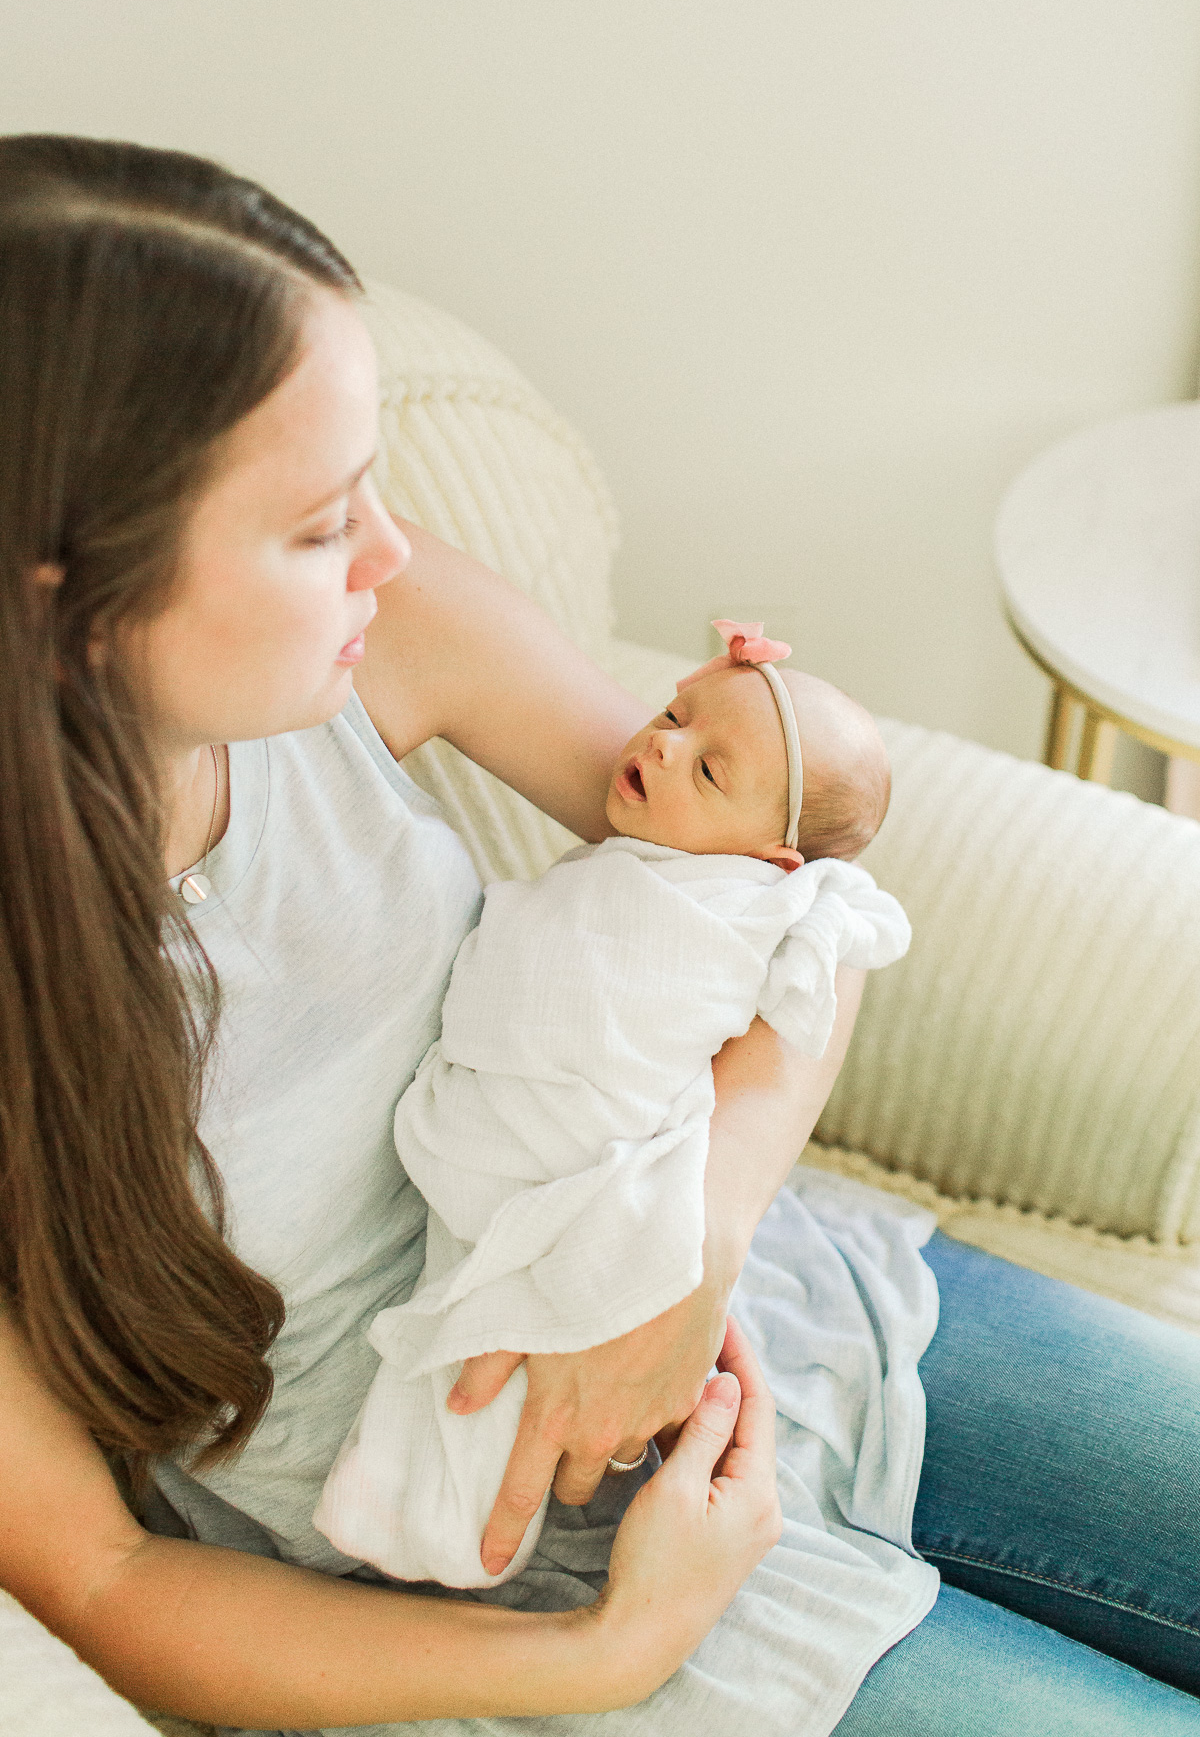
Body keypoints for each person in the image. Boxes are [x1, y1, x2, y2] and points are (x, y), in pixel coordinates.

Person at [1, 133, 1198, 1737]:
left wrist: (692, 1255)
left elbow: (787, 896)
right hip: (506, 1591)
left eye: (375, 487)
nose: (391, 551)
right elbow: (105, 1585)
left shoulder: (382, 640)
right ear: (65, 600)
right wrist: (607, 1653)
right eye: (313, 525)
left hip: (790, 1322)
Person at [315, 633, 910, 1587]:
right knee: (479, 1371)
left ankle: (423, 1499)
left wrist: (695, 1245)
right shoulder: (667, 831)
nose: (664, 746)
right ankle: (413, 1508)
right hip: (502, 1147)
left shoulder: (750, 898)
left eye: (707, 766)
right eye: (673, 714)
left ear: (770, 857)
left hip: (653, 1193)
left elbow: (846, 932)